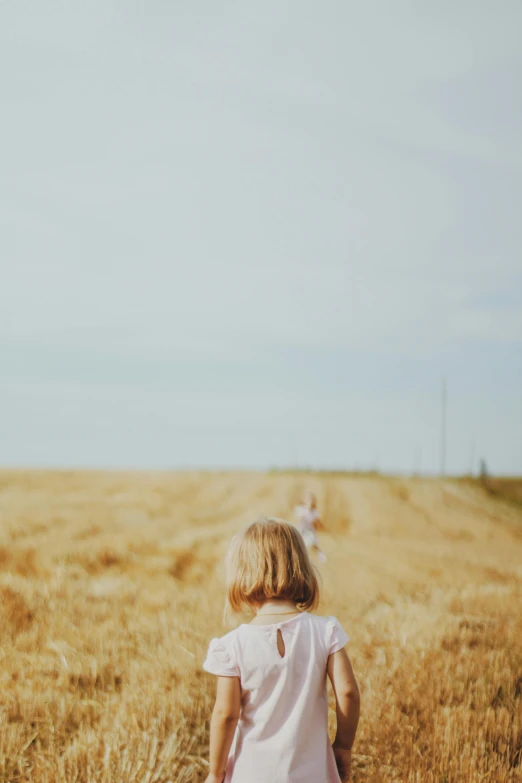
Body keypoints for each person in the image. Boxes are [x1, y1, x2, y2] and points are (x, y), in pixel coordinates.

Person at [203, 517, 360, 783]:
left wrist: (215, 773)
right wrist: (343, 746)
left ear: (241, 573)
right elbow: (348, 692)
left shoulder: (232, 646)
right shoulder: (325, 631)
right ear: (299, 567)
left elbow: (226, 714)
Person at [294, 490, 327, 562]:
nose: (311, 502)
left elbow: (317, 522)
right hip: (301, 530)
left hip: (310, 531)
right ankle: (302, 558)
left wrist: (322, 527)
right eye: (309, 500)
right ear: (304, 500)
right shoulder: (300, 509)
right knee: (300, 544)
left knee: (314, 544)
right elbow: (298, 519)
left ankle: (321, 555)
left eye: (312, 500)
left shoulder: (314, 512)